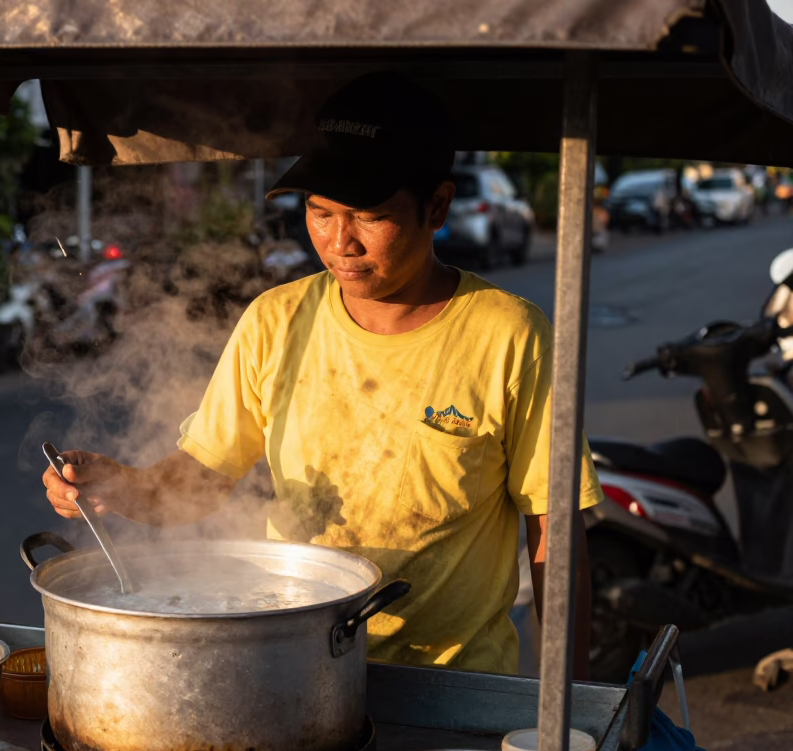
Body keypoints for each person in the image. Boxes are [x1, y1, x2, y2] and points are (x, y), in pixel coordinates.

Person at [43, 73, 602, 679]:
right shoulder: (275, 320)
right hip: (297, 667)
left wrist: (570, 703)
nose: (341, 243)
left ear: (437, 206)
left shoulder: (510, 333)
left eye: (371, 215)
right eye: (320, 212)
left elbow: (555, 530)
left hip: (455, 680)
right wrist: (120, 487)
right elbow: (202, 479)